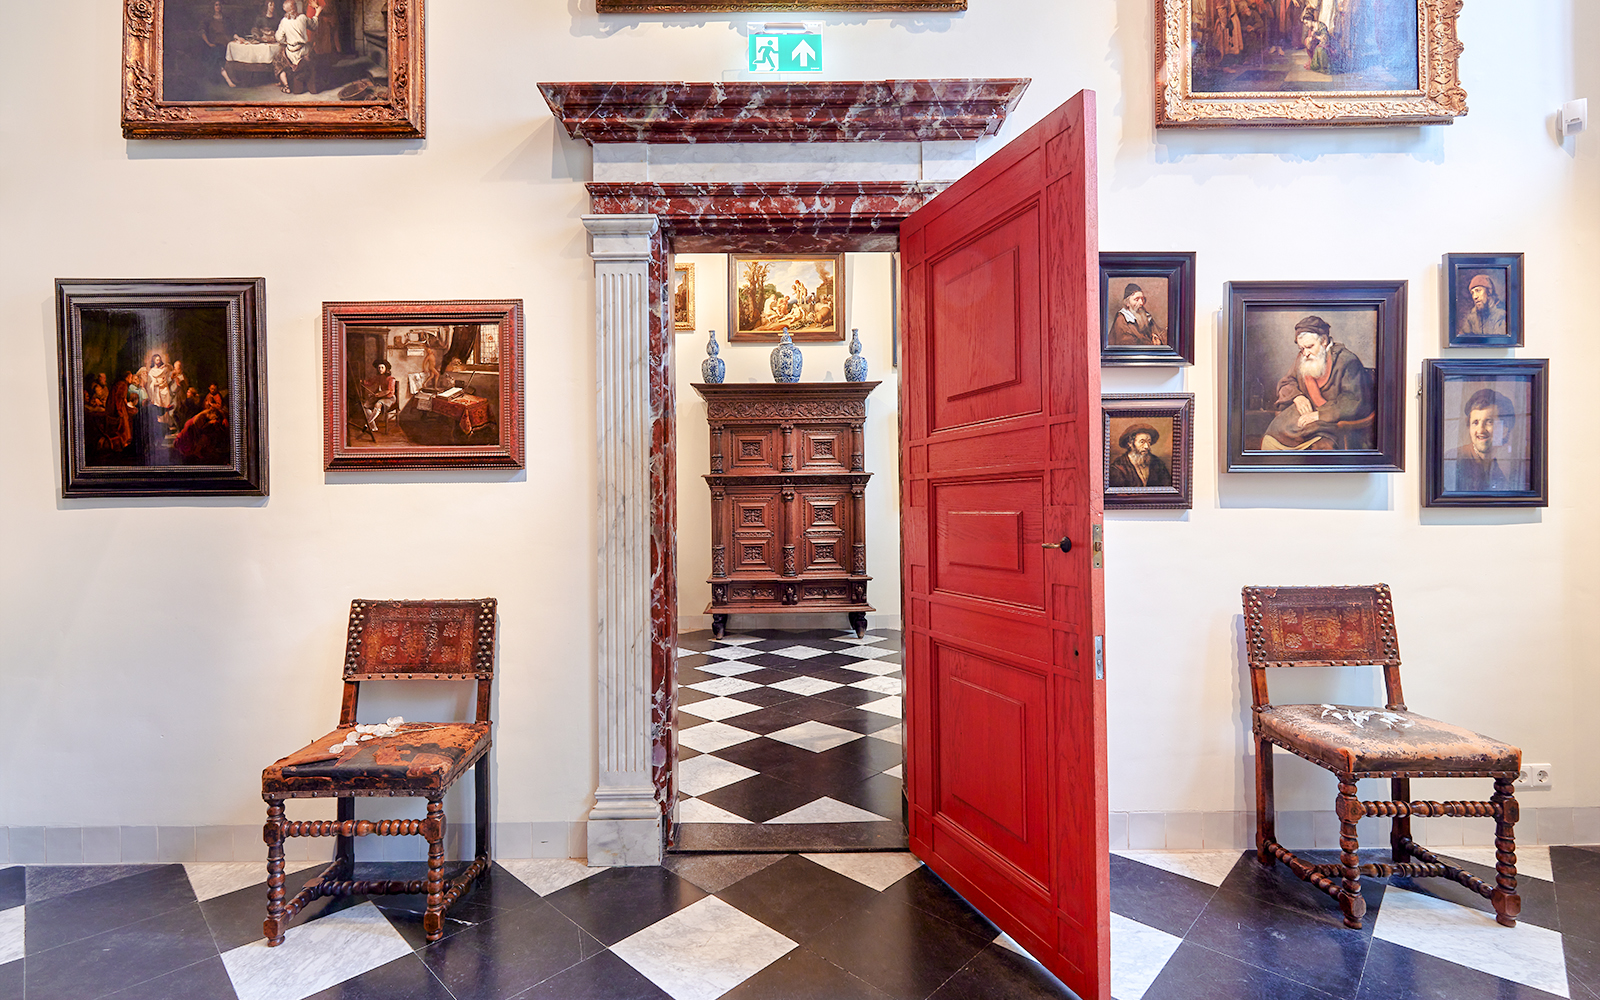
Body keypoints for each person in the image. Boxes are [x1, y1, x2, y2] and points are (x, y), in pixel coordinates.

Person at [1261, 315, 1374, 450]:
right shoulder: (1303, 358)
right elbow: (1286, 382)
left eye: (1309, 346)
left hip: (1333, 421)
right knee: (1270, 440)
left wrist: (1319, 415)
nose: (1305, 353)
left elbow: (1352, 401)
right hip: (1305, 420)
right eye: (1302, 349)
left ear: (1324, 341)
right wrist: (1297, 396)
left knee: (1319, 449)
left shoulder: (1348, 361)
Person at [1445, 388, 1514, 491]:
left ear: (1504, 430)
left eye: (1489, 422)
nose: (1480, 430)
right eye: (1475, 423)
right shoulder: (1453, 460)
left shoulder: (1496, 469)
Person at [274, 0, 320, 94]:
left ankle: (286, 84)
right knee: (312, 54)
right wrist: (316, 16)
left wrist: (287, 41)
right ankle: (310, 81)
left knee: (277, 59)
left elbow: (278, 38)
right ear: (295, 7)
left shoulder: (284, 21)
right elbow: (314, 26)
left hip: (291, 52)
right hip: (303, 50)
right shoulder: (303, 17)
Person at [1108, 424, 1173, 488]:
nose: (1147, 446)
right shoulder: (1118, 467)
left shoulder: (1157, 463)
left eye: (1149, 442)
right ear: (1130, 443)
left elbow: (1167, 487)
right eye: (1142, 442)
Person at [358, 359, 398, 441]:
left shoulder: (391, 379)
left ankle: (367, 424)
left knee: (378, 404)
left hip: (389, 398)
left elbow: (389, 391)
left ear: (386, 368)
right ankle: (373, 427)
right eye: (379, 368)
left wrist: (379, 394)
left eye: (382, 367)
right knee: (365, 406)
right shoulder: (378, 377)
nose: (380, 369)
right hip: (380, 397)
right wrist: (361, 381)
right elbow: (369, 383)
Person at [1459, 274, 1508, 340]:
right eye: (1472, 293)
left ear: (1489, 292)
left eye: (1478, 291)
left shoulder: (1501, 315)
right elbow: (1462, 340)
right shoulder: (1471, 317)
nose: (1475, 297)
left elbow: (1498, 344)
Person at [200, 1, 231, 85]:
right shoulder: (208, 19)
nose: (218, 7)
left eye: (220, 5)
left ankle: (230, 77)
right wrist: (208, 43)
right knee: (218, 55)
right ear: (213, 6)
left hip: (225, 42)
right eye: (216, 5)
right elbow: (203, 32)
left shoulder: (225, 19)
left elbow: (230, 31)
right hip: (214, 43)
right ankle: (227, 79)